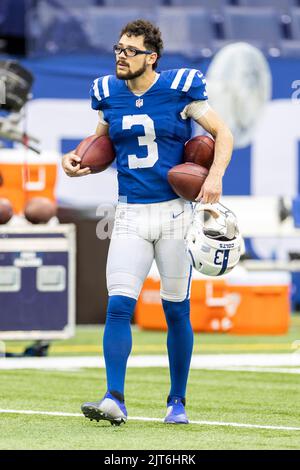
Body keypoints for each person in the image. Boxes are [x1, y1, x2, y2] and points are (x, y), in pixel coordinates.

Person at [62, 19, 233, 426]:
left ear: (151, 57)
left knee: (176, 310)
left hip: (175, 212)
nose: (121, 56)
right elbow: (99, 143)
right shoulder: (106, 93)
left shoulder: (180, 87)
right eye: (118, 48)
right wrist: (78, 161)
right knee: (119, 306)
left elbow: (222, 133)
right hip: (129, 214)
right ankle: (114, 398)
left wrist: (214, 176)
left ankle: (177, 402)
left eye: (130, 50)